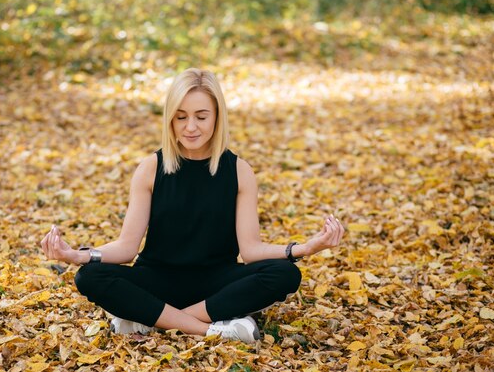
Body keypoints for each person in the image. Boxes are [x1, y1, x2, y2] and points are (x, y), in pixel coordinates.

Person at [40, 68, 344, 343]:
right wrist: (74, 255)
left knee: (285, 274)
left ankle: (152, 319)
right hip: (156, 279)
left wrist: (303, 248)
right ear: (170, 118)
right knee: (90, 276)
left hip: (216, 283)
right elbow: (126, 248)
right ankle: (210, 328)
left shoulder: (239, 171)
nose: (190, 127)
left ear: (217, 117)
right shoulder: (150, 168)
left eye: (201, 116)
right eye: (181, 116)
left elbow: (251, 250)